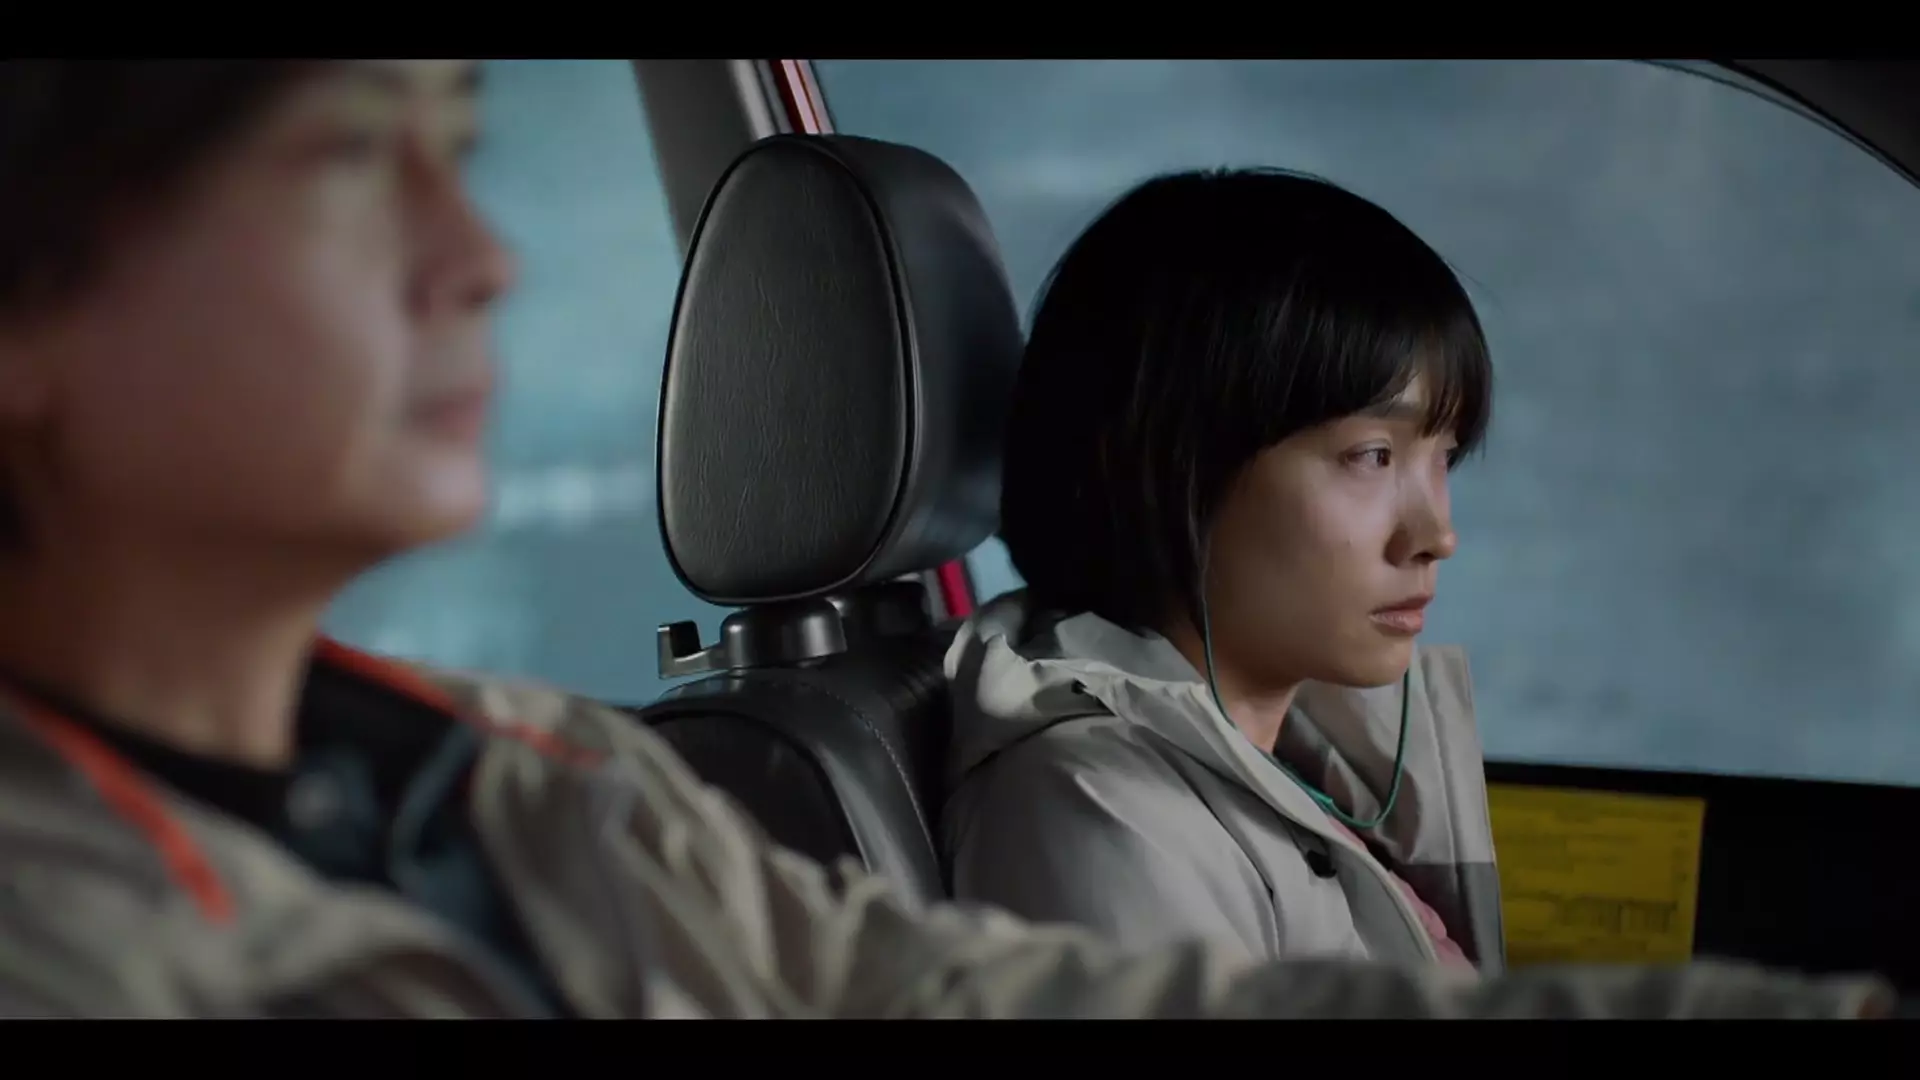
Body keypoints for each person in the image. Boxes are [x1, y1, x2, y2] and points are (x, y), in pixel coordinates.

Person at [0, 59, 1889, 1019]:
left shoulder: (547, 790)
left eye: (462, 150)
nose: (479, 256)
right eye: (349, 162)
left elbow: (1005, 1003)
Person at [943, 169, 1504, 970]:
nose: (1436, 534)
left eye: (1443, 457)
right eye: (1372, 456)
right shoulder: (1099, 809)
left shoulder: (1295, 763)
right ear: (1164, 469)